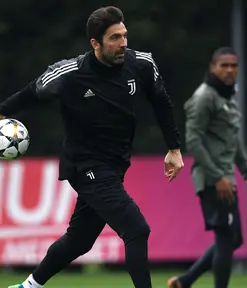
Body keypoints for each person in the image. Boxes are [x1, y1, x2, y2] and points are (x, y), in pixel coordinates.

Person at [2, 6, 184, 288]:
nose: (123, 43)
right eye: (114, 38)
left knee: (79, 241)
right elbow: (30, 94)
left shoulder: (143, 64)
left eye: (124, 35)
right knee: (137, 229)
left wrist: (173, 148)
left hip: (115, 166)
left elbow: (162, 102)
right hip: (84, 165)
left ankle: (27, 287)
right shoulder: (70, 73)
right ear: (95, 43)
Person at [167, 47, 247, 288]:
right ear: (213, 68)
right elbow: (193, 141)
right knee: (226, 238)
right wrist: (217, 177)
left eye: (233, 65)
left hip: (226, 177)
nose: (229, 70)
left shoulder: (226, 96)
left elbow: (232, 139)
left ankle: (184, 282)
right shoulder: (204, 97)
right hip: (213, 179)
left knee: (233, 238)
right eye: (224, 65)